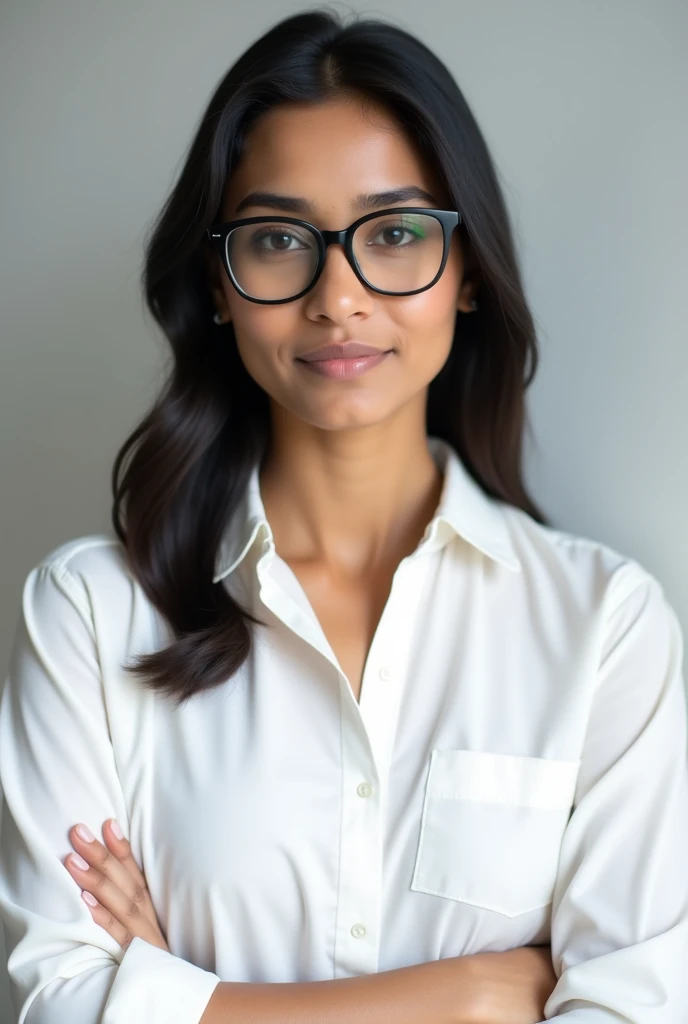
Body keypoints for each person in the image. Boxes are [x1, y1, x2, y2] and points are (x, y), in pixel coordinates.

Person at [1, 7, 687, 1024]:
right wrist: (466, 995)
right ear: (219, 284)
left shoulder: (604, 628)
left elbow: (631, 1009)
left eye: (395, 233)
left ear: (464, 273)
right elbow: (60, 1006)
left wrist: (177, 997)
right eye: (279, 239)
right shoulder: (90, 615)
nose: (338, 297)